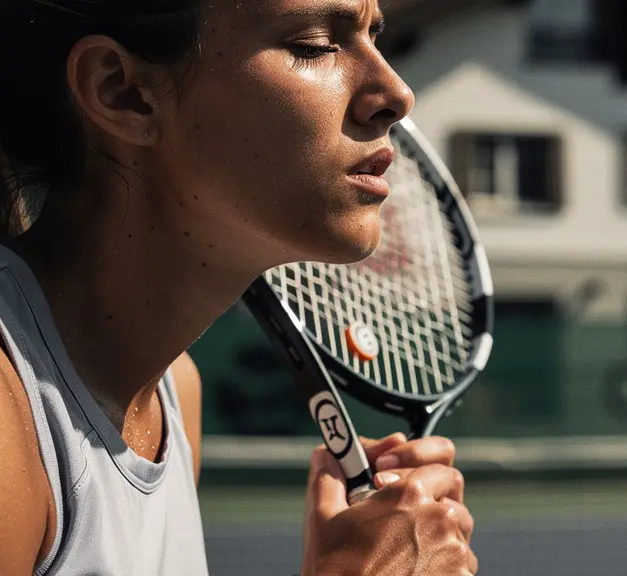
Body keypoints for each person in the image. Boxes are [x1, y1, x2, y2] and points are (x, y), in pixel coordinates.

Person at [0, 0, 477, 575]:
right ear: (121, 91)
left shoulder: (176, 393)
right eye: (314, 43)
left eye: (376, 36)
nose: (397, 94)